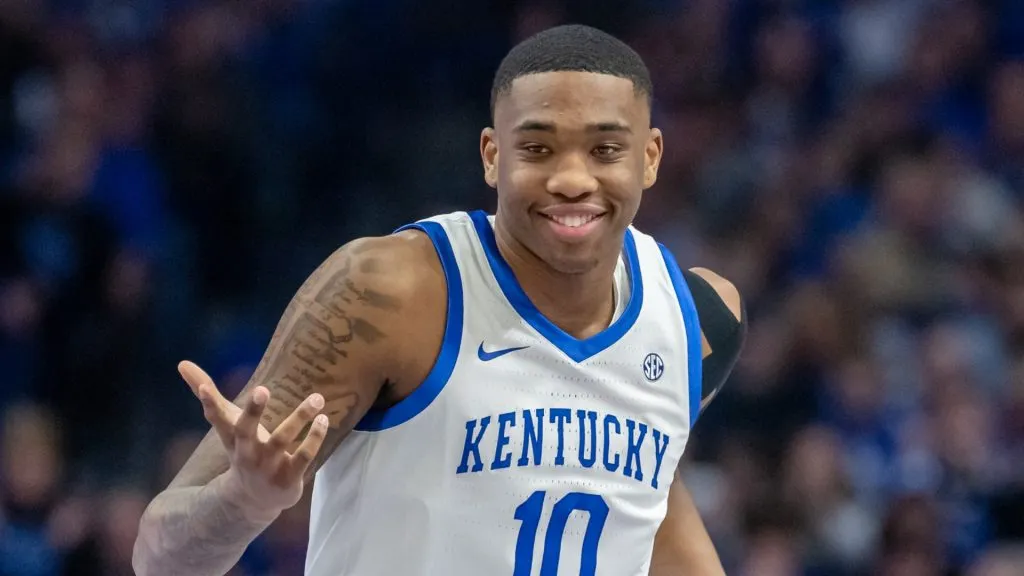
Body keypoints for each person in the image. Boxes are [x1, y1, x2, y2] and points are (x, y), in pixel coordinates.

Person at [132, 24, 746, 576]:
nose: (571, 179)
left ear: (649, 157)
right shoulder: (386, 292)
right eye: (537, 149)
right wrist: (243, 500)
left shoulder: (696, 320)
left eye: (605, 150)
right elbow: (158, 558)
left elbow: (645, 496)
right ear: (492, 156)